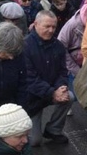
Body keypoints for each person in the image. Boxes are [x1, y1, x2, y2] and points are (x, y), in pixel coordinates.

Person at [23, 11, 72, 146]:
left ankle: (53, 130)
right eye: (47, 26)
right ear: (36, 24)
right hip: (31, 97)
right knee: (34, 141)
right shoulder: (25, 46)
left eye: (54, 27)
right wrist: (52, 92)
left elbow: (62, 71)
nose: (51, 30)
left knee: (70, 97)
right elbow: (29, 79)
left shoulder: (58, 46)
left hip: (50, 91)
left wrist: (61, 87)